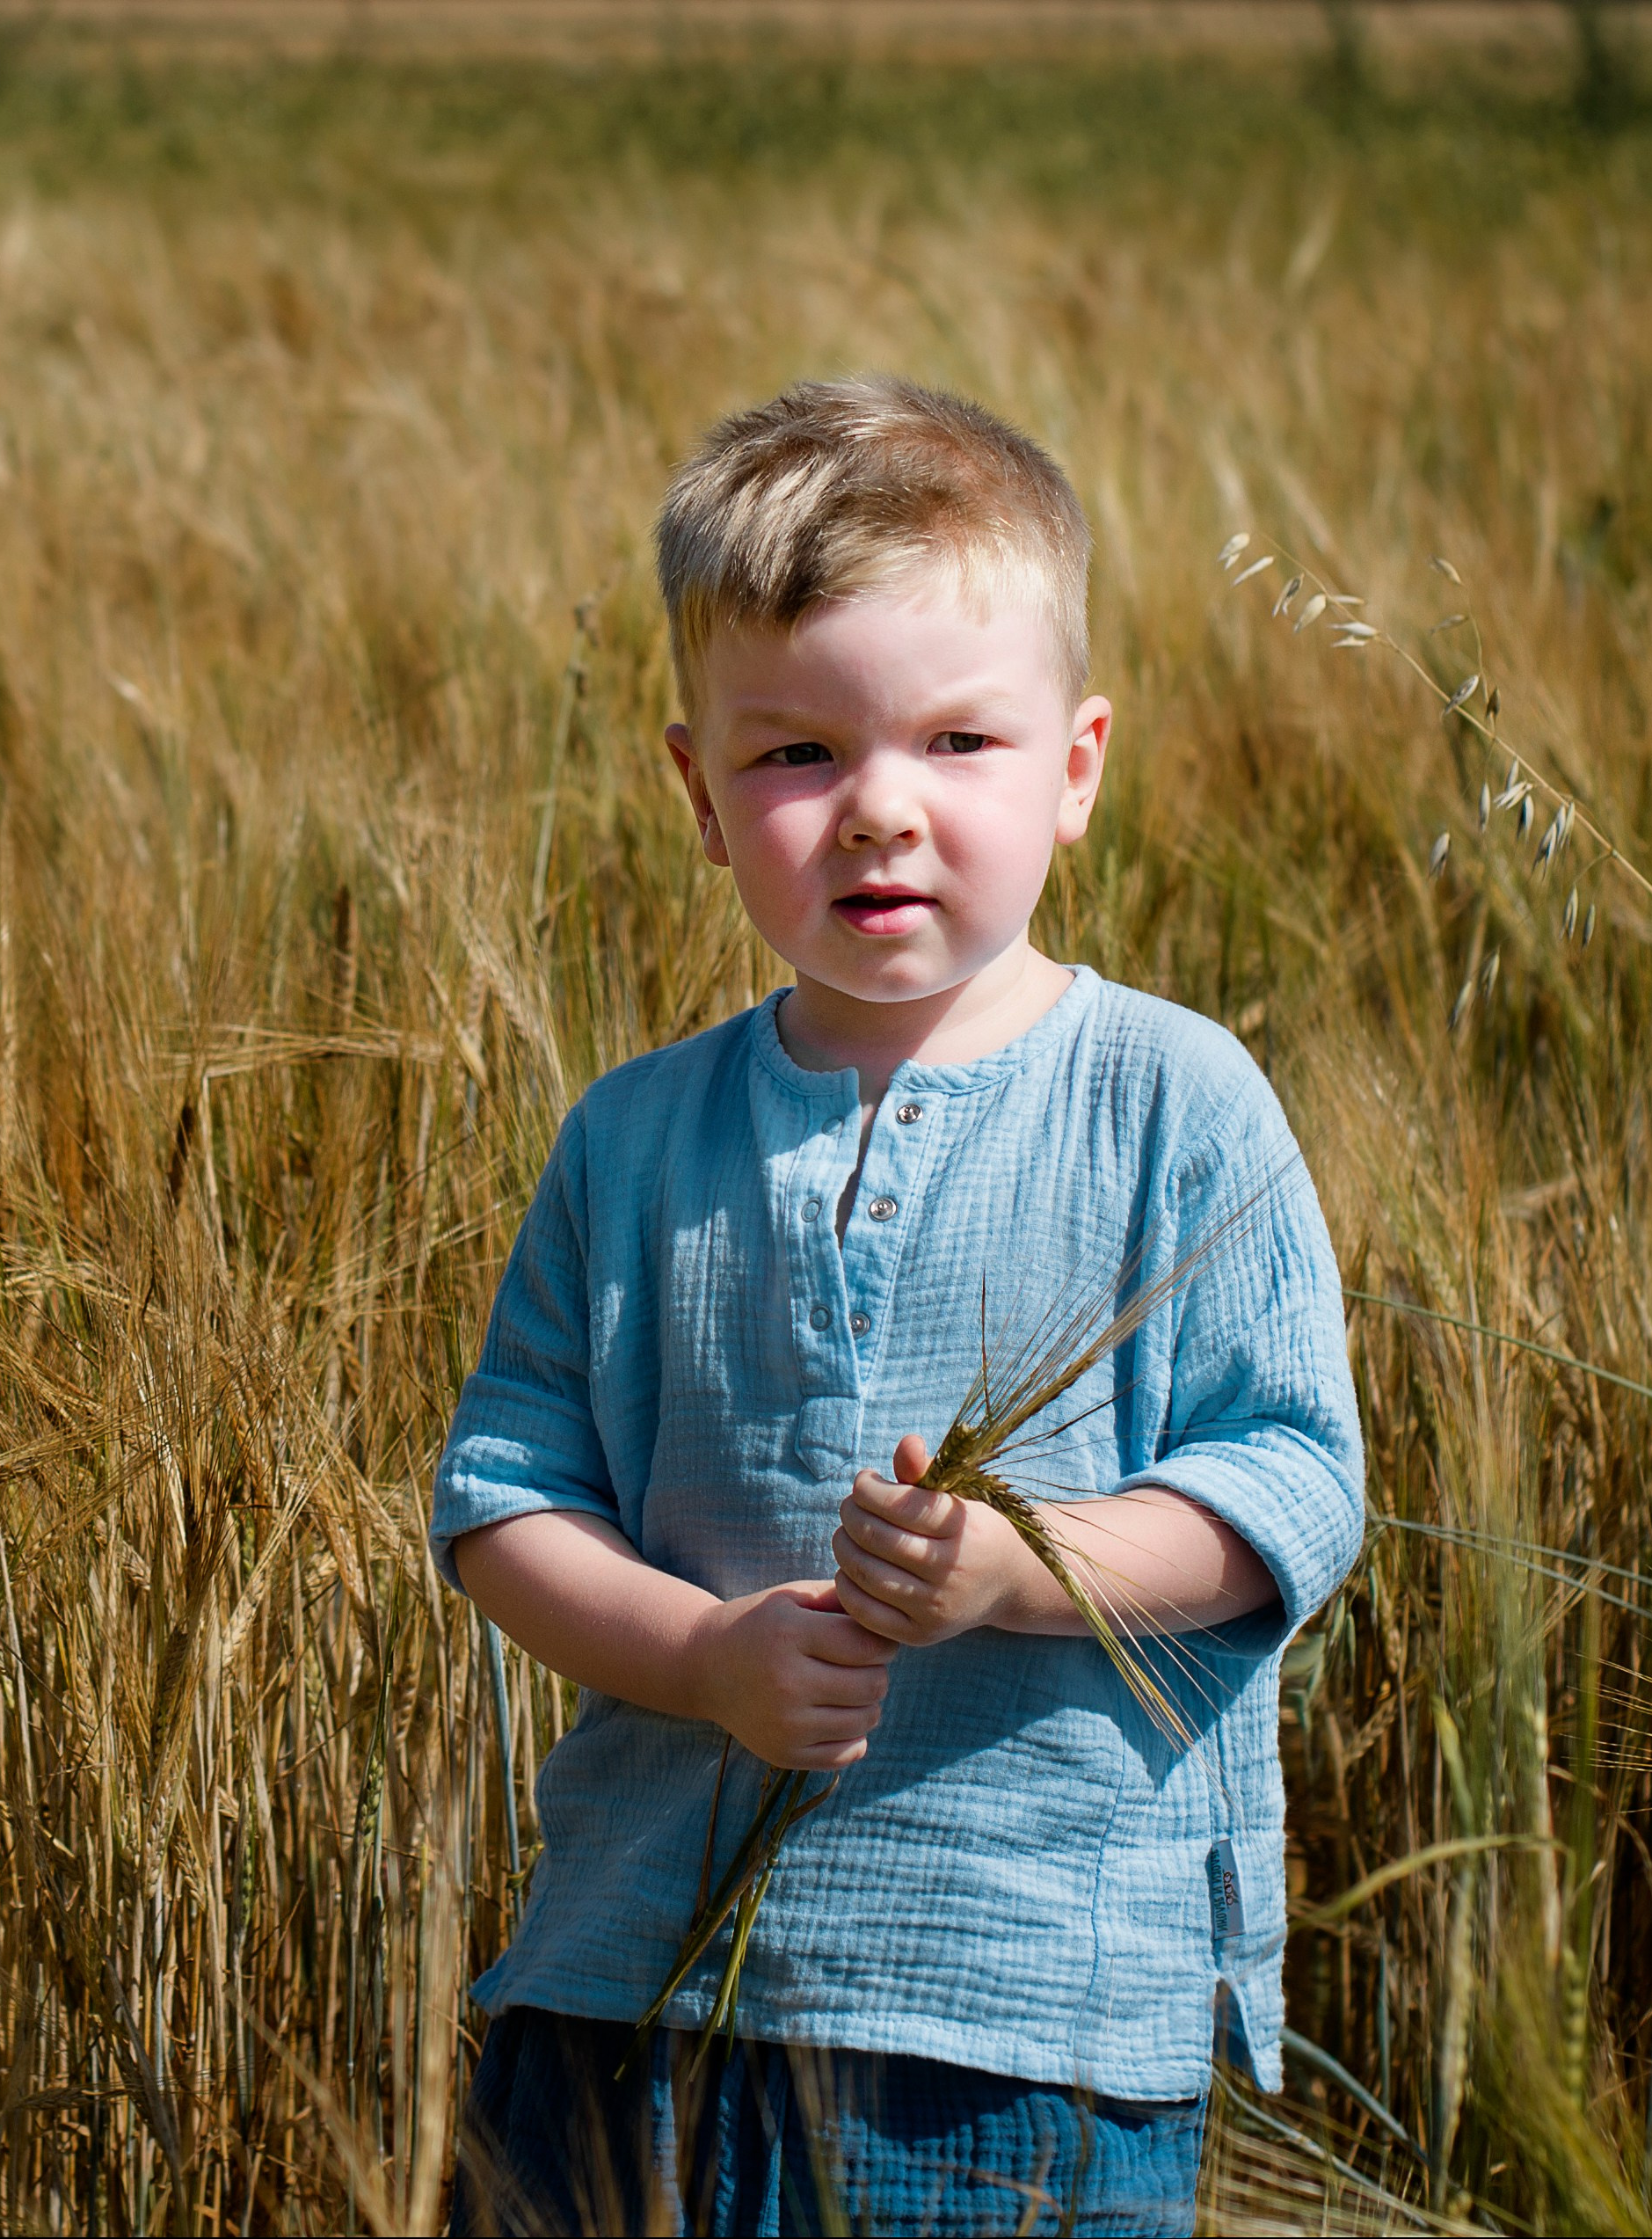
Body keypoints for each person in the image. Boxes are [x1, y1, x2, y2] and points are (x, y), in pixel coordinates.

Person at [432, 376, 1364, 2237]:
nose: (878, 808)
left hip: (1018, 2032)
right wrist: (703, 1656)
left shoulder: (1171, 1100)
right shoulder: (633, 1136)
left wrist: (1022, 1569)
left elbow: (1292, 1482)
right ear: (698, 793)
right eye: (796, 753)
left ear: (1075, 767)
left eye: (958, 742)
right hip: (631, 2005)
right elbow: (502, 1500)